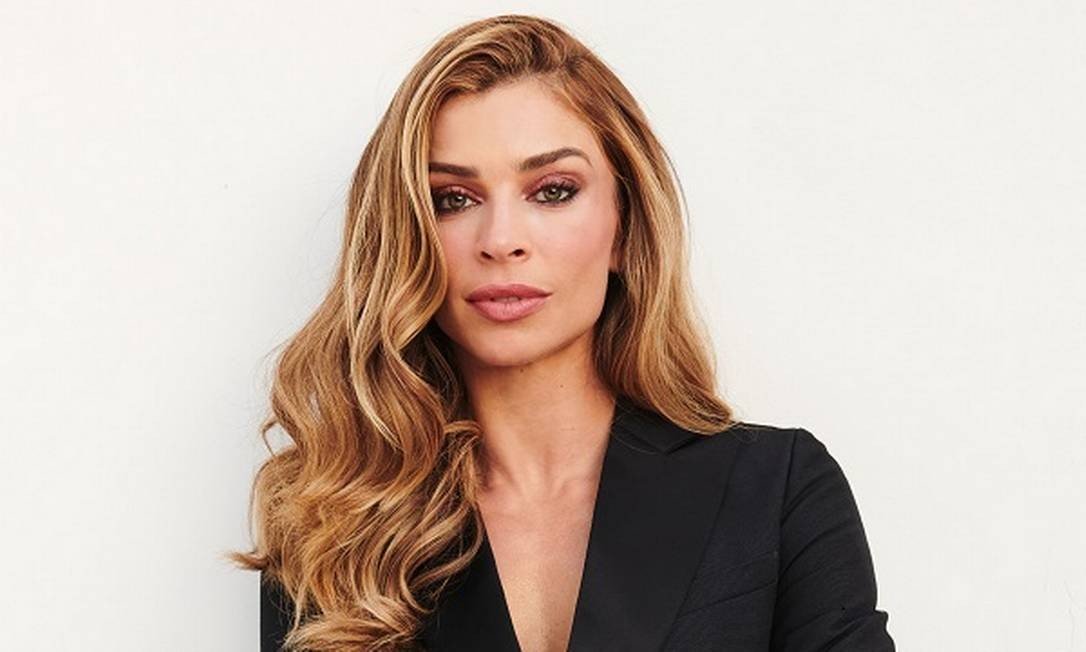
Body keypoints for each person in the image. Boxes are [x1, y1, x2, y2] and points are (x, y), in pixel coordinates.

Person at [229, 14, 896, 652]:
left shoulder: (777, 491)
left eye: (552, 190)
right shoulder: (337, 523)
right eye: (452, 200)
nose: (501, 240)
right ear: (407, 238)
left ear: (625, 227)